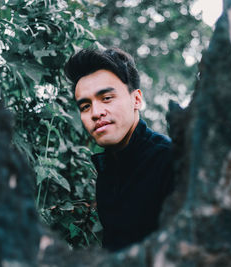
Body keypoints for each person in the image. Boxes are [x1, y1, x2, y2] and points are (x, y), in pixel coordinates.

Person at [64, 48, 174, 251]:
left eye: (106, 98)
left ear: (137, 100)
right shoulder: (108, 172)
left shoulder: (172, 162)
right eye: (85, 106)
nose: (96, 113)